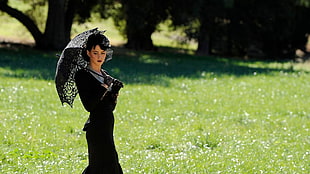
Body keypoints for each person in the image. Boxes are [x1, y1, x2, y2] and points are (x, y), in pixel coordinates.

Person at [75, 32, 124, 174]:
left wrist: (114, 92)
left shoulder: (104, 74)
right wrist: (103, 87)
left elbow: (109, 107)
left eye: (102, 53)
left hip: (107, 125)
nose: (99, 57)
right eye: (95, 52)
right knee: (102, 166)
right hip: (96, 128)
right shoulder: (82, 75)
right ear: (88, 52)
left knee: (110, 163)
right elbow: (89, 105)